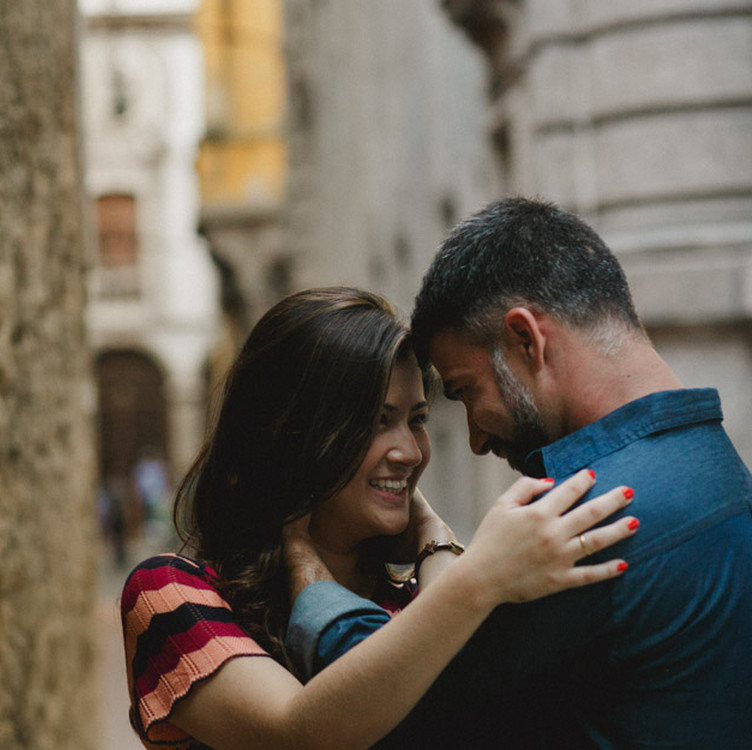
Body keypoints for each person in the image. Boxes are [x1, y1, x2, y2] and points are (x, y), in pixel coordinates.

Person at [287, 198, 752, 748]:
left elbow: (382, 704)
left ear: (525, 339)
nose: (476, 441)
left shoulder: (589, 518)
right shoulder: (714, 463)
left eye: (463, 390)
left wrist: (305, 572)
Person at [121, 287, 639, 750]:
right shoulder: (172, 594)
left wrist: (436, 548)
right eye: (375, 422)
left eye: (416, 421)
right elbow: (299, 733)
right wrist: (477, 577)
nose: (409, 452)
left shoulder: (418, 594)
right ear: (291, 434)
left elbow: (467, 707)